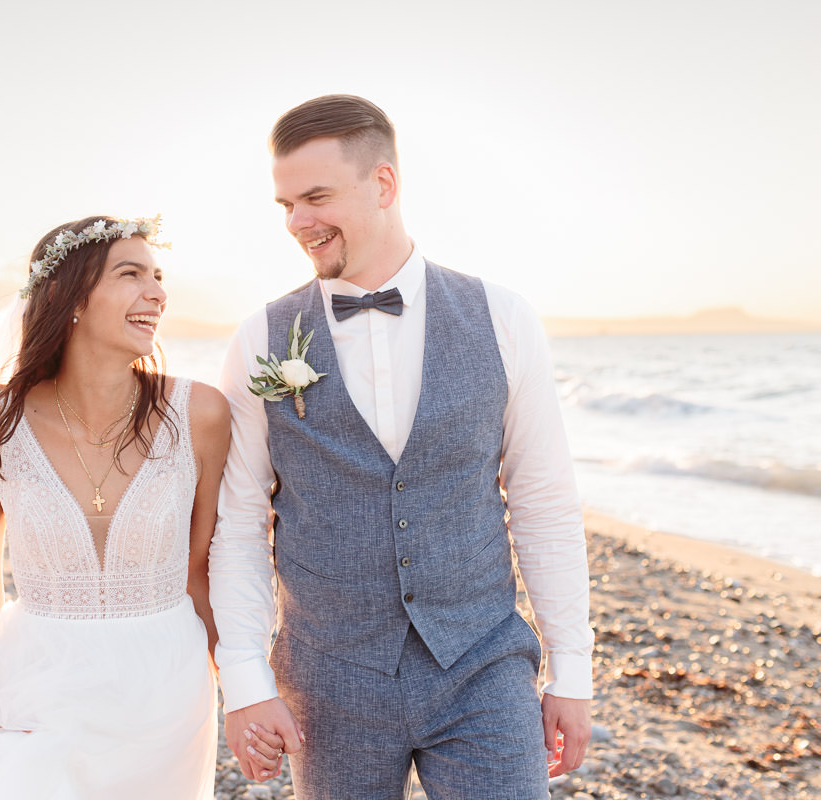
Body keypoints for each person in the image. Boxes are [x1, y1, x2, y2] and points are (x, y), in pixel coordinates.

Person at [210, 95, 595, 799]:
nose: (298, 222)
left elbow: (543, 502)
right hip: (328, 681)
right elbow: (237, 522)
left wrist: (572, 670)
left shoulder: (504, 319)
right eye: (286, 204)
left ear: (383, 185)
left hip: (482, 666)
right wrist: (243, 680)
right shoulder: (261, 340)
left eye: (316, 197)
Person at [0, 216, 236, 799]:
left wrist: (241, 688)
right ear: (68, 295)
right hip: (38, 680)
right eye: (131, 274)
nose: (157, 292)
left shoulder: (199, 413)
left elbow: (202, 570)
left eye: (158, 277)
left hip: (166, 691)